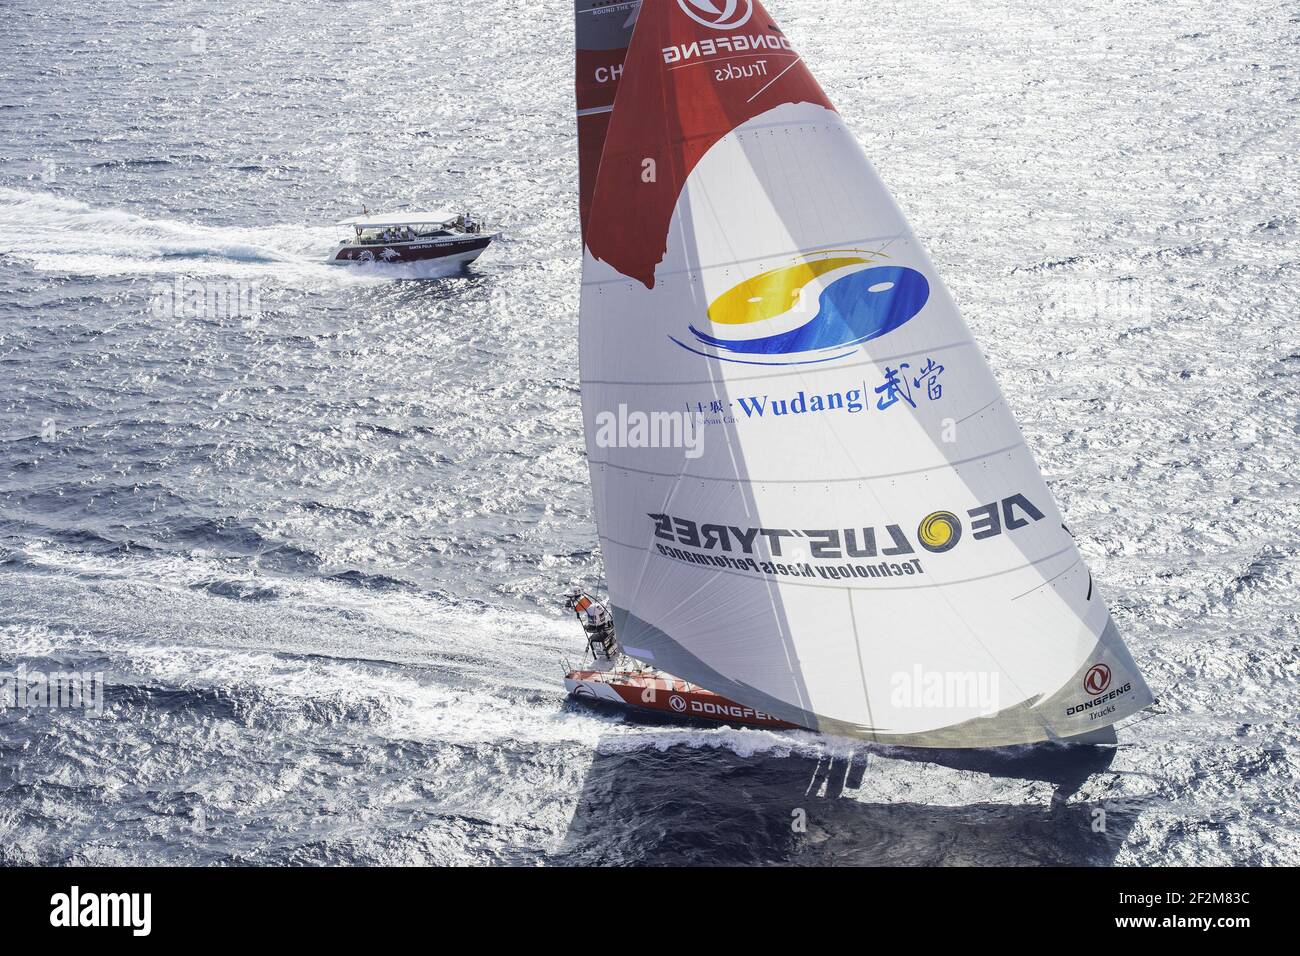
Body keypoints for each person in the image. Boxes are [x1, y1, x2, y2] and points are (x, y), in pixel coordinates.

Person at [565, 587, 618, 661]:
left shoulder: (586, 605)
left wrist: (570, 602)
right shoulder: (591, 604)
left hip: (594, 627)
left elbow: (573, 608)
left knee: (595, 637)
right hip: (600, 626)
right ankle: (609, 649)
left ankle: (600, 653)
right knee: (610, 629)